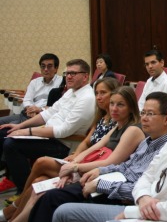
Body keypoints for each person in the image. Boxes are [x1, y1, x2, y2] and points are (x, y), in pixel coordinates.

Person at [52, 88, 167, 222]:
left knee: (64, 212)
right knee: (63, 211)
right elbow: (145, 178)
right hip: (143, 210)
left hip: (156, 218)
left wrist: (131, 212)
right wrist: (144, 198)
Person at [28, 92, 167, 222]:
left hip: (123, 197)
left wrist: (99, 184)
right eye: (143, 113)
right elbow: (125, 165)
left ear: (166, 119)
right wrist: (100, 171)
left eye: (150, 114)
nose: (144, 118)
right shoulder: (147, 140)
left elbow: (143, 187)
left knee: (53, 198)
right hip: (111, 181)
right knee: (47, 192)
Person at [0, 78, 119, 221]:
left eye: (103, 93)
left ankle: (11, 210)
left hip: (90, 166)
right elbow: (87, 141)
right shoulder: (101, 116)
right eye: (97, 93)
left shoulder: (117, 120)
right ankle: (13, 215)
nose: (98, 97)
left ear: (115, 93)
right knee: (39, 180)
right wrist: (76, 155)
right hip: (80, 158)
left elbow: (99, 149)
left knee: (41, 162)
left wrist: (75, 161)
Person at [0, 59, 96, 194]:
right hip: (48, 136)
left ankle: (23, 190)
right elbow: (48, 113)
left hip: (64, 144)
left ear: (85, 76)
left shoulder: (87, 98)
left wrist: (28, 131)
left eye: (73, 73)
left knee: (11, 144)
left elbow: (63, 131)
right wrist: (19, 126)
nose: (68, 76)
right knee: (5, 131)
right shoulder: (70, 91)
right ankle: (10, 179)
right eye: (67, 73)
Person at [0, 53, 63, 127]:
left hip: (44, 116)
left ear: (56, 68)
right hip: (28, 114)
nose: (45, 69)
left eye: (49, 66)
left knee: (8, 128)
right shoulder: (35, 82)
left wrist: (39, 109)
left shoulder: (62, 83)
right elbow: (27, 100)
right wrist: (30, 109)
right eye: (43, 66)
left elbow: (58, 105)